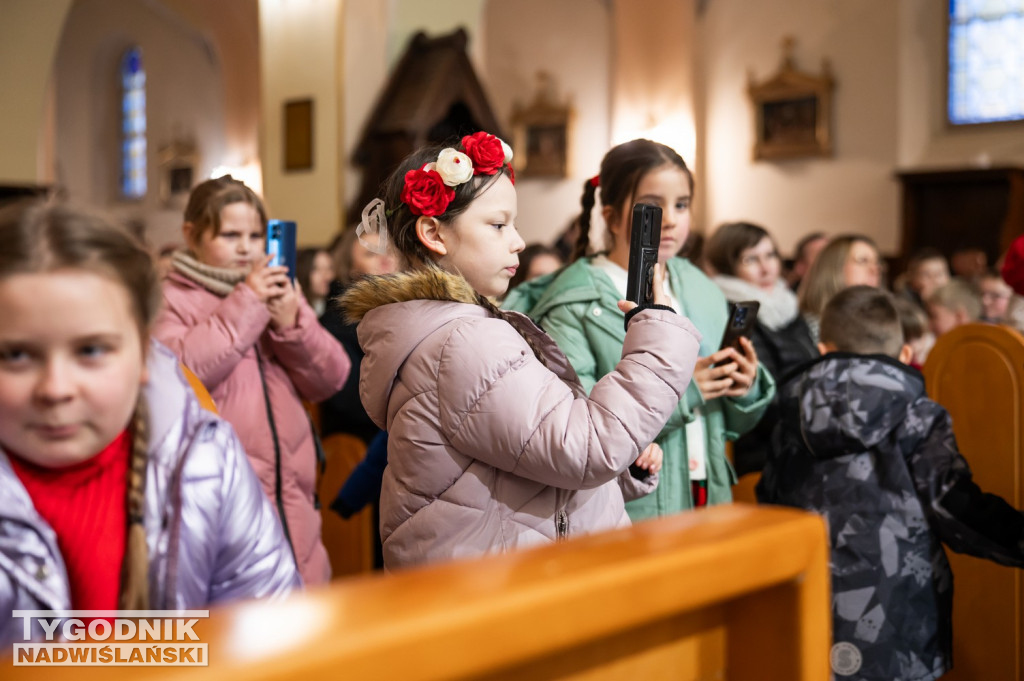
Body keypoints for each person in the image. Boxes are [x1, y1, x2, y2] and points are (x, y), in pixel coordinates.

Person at [337, 132, 701, 569]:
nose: (519, 242)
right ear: (434, 233)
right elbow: (584, 448)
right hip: (503, 590)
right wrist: (657, 333)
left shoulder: (461, 331)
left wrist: (621, 475)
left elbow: (524, 471)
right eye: (498, 225)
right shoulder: (462, 342)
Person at [0, 200, 300, 646]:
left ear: (143, 353)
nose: (56, 388)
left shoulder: (203, 462)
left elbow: (269, 637)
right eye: (17, 355)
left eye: (91, 351)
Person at [757, 285, 1024, 681]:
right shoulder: (917, 413)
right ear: (904, 356)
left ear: (824, 350)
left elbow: (770, 504)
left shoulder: (786, 412)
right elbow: (952, 506)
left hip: (807, 607)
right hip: (899, 620)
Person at [505, 139, 774, 515]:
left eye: (682, 204)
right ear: (613, 217)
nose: (673, 219)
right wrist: (685, 391)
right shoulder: (577, 303)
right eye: (654, 206)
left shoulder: (699, 286)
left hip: (708, 492)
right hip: (637, 504)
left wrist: (744, 386)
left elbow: (731, 422)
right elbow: (576, 429)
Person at [153, 175, 349, 586]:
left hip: (294, 495)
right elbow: (181, 374)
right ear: (192, 235)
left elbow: (331, 378)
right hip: (227, 496)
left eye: (255, 235)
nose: (246, 247)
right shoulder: (170, 299)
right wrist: (248, 303)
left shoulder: (277, 291)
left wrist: (292, 323)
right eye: (229, 234)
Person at [704, 221, 817, 476]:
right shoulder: (734, 313)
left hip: (803, 434)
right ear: (727, 266)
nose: (766, 269)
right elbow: (763, 402)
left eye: (770, 255)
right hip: (765, 450)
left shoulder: (786, 305)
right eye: (750, 260)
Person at [319, 227, 397, 443]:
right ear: (351, 269)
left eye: (388, 251)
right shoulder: (336, 323)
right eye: (371, 254)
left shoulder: (407, 311)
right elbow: (352, 401)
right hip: (363, 439)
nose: (384, 260)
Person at [797, 233, 882, 344]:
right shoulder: (803, 333)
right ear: (834, 267)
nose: (875, 269)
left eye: (877, 263)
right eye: (863, 260)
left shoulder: (882, 324)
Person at [296, 246, 334, 316]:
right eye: (316, 269)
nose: (327, 276)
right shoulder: (295, 309)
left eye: (329, 268)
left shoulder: (333, 307)